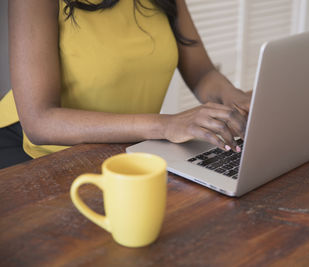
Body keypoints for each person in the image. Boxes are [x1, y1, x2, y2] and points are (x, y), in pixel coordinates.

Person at [0, 0, 251, 169]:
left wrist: (238, 101)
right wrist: (166, 125)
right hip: (36, 155)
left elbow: (202, 72)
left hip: (122, 150)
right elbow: (39, 120)